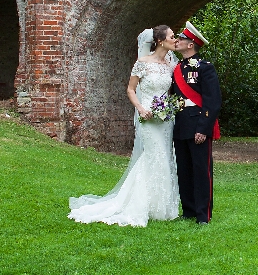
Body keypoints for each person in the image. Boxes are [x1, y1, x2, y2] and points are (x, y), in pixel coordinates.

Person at [69, 26, 182, 227]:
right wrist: (140, 107)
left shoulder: (171, 64)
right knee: (153, 157)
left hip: (165, 119)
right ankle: (139, 204)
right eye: (172, 36)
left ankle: (162, 207)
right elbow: (130, 90)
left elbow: (174, 91)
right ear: (160, 41)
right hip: (147, 117)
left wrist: (170, 107)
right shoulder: (142, 63)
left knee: (165, 157)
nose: (176, 39)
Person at [171, 22, 221, 225]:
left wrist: (203, 128)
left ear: (191, 44)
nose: (177, 41)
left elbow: (213, 100)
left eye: (181, 39)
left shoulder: (205, 67)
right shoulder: (177, 68)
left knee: (201, 170)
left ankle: (203, 214)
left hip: (198, 123)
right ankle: (189, 210)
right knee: (184, 169)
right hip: (181, 124)